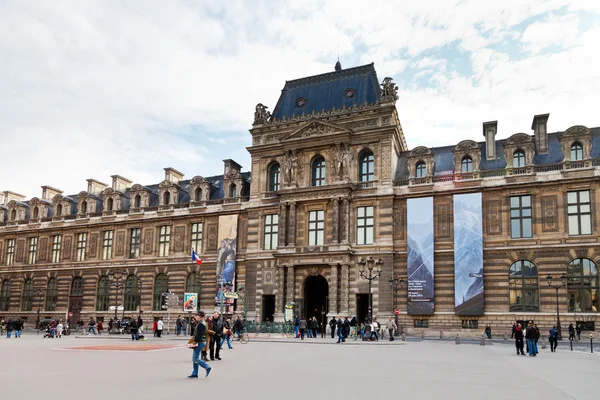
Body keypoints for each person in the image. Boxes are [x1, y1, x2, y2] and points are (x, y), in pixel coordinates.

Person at [188, 311, 212, 379]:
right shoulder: (201, 323)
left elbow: (199, 334)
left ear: (199, 316)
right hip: (201, 341)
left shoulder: (201, 324)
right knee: (195, 358)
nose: (195, 317)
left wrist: (194, 342)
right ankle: (195, 373)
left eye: (196, 316)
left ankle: (207, 367)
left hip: (199, 342)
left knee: (195, 358)